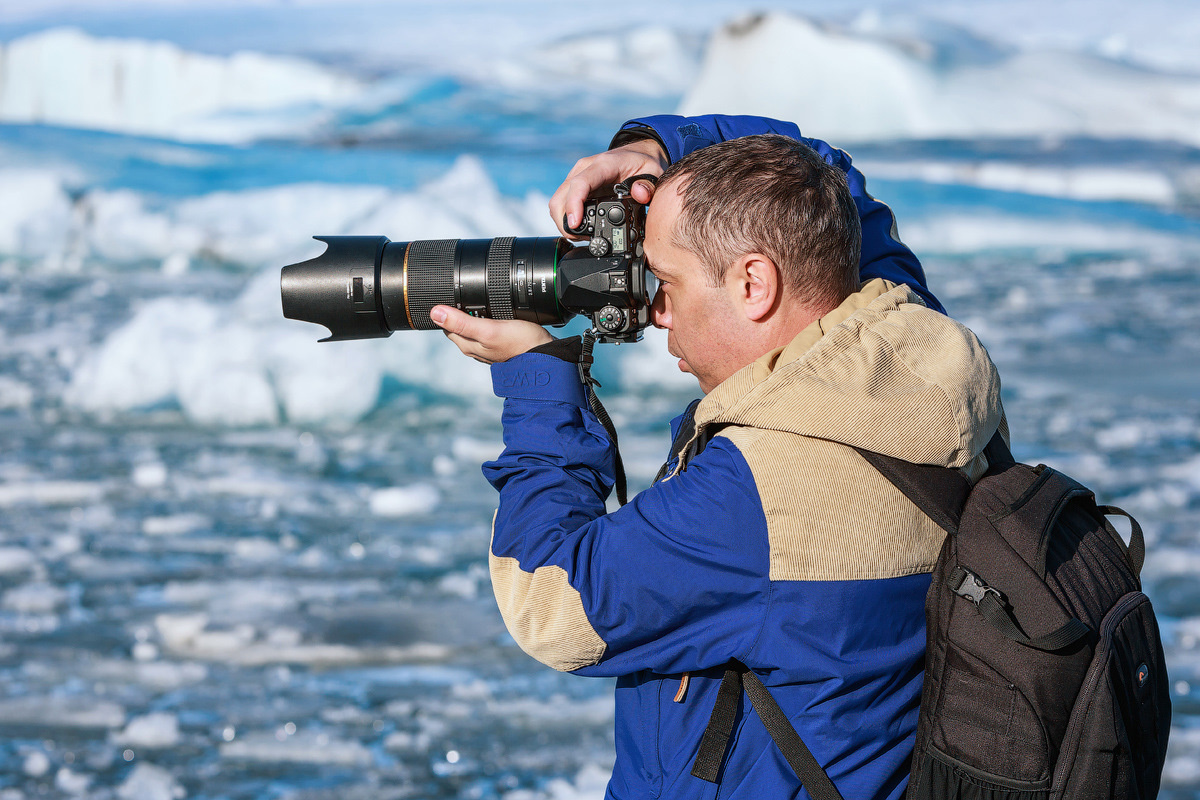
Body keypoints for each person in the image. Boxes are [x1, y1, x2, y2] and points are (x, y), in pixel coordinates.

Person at [429, 115, 1004, 800]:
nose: (656, 313)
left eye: (666, 281)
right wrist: (655, 152)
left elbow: (551, 605)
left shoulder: (757, 492)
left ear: (754, 284)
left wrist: (539, 380)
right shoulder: (922, 357)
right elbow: (827, 178)